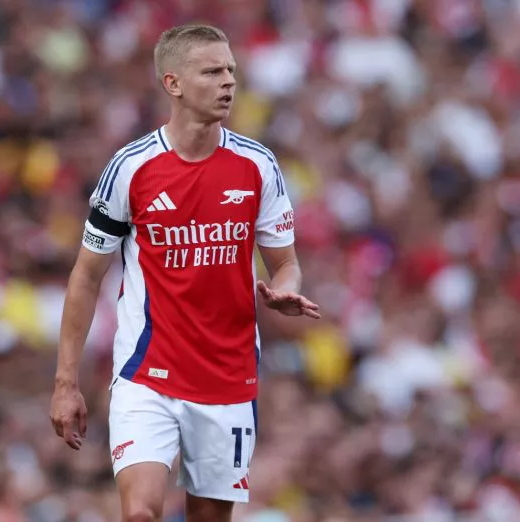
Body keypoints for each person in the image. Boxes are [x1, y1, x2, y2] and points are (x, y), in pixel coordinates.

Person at [49, 24, 320, 522]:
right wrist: (66, 381)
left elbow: (286, 263)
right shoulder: (131, 169)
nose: (228, 83)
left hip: (228, 377)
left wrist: (285, 291)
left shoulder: (257, 166)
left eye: (231, 71)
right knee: (140, 514)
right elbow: (86, 277)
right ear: (172, 83)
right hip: (146, 374)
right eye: (212, 71)